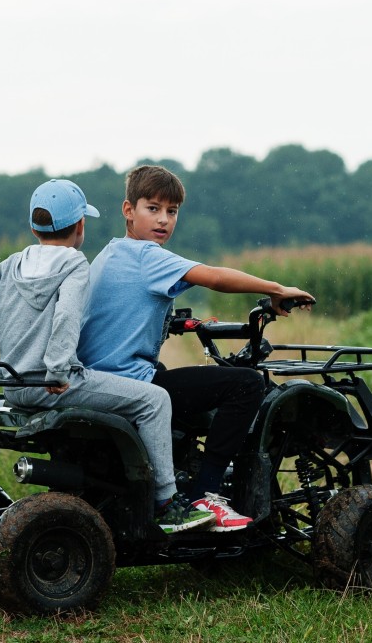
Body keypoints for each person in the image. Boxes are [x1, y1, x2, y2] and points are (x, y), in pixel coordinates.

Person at [0, 178, 213, 534]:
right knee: (155, 400)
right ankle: (168, 503)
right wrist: (59, 370)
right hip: (54, 384)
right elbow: (66, 317)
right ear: (80, 226)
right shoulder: (74, 264)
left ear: (34, 226)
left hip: (15, 385)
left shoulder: (10, 264)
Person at [78, 165, 314, 532]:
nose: (163, 220)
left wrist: (177, 322)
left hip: (101, 379)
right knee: (246, 384)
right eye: (152, 208)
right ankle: (206, 494)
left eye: (171, 212)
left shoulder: (110, 253)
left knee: (172, 379)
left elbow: (122, 308)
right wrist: (276, 289)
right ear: (128, 210)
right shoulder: (149, 256)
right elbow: (216, 277)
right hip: (130, 381)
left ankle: (178, 469)